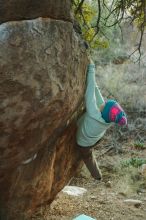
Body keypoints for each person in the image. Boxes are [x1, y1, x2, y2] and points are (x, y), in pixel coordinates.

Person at [76, 60, 127, 180]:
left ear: (104, 112)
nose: (103, 103)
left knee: (88, 156)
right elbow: (96, 91)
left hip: (84, 143)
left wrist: (92, 68)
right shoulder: (107, 118)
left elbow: (90, 93)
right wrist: (94, 83)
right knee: (88, 113)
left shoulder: (94, 113)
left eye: (105, 105)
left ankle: (97, 175)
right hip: (96, 137)